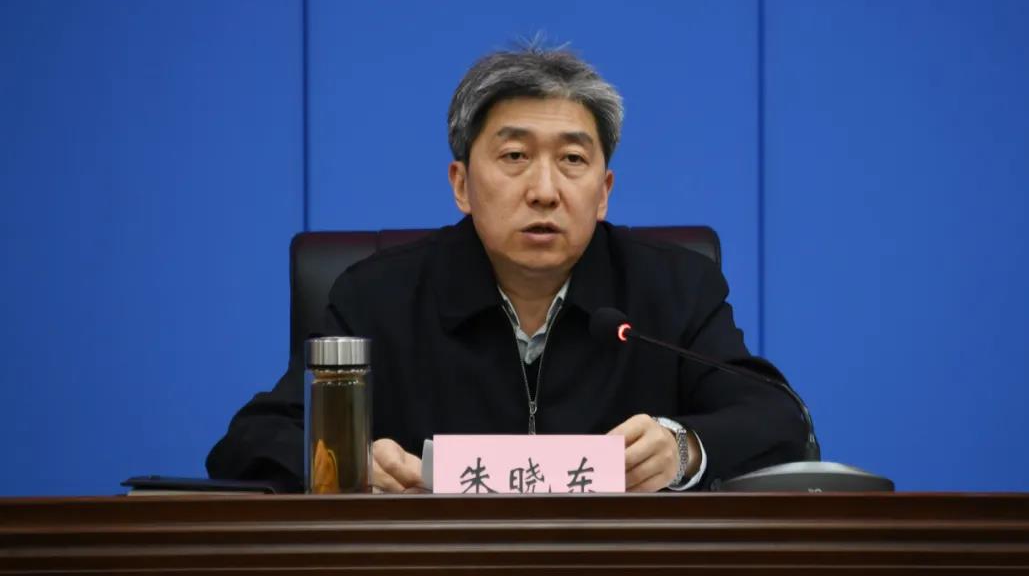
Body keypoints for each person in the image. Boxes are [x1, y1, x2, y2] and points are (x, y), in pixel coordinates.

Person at [207, 46, 808, 492]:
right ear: (461, 185)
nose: (544, 190)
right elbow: (251, 440)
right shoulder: (379, 296)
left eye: (572, 159)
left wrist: (684, 449)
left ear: (604, 192)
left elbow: (778, 418)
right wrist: (346, 463)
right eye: (515, 156)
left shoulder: (674, 288)